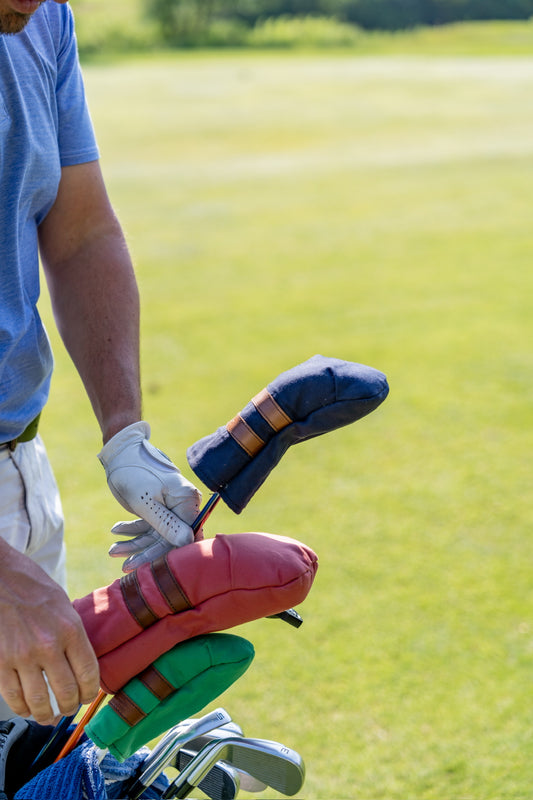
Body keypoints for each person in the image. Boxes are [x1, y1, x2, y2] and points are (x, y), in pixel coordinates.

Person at [0, 0, 202, 726]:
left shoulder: (42, 21)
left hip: (20, 474)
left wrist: (125, 435)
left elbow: (81, 231)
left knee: (30, 763)